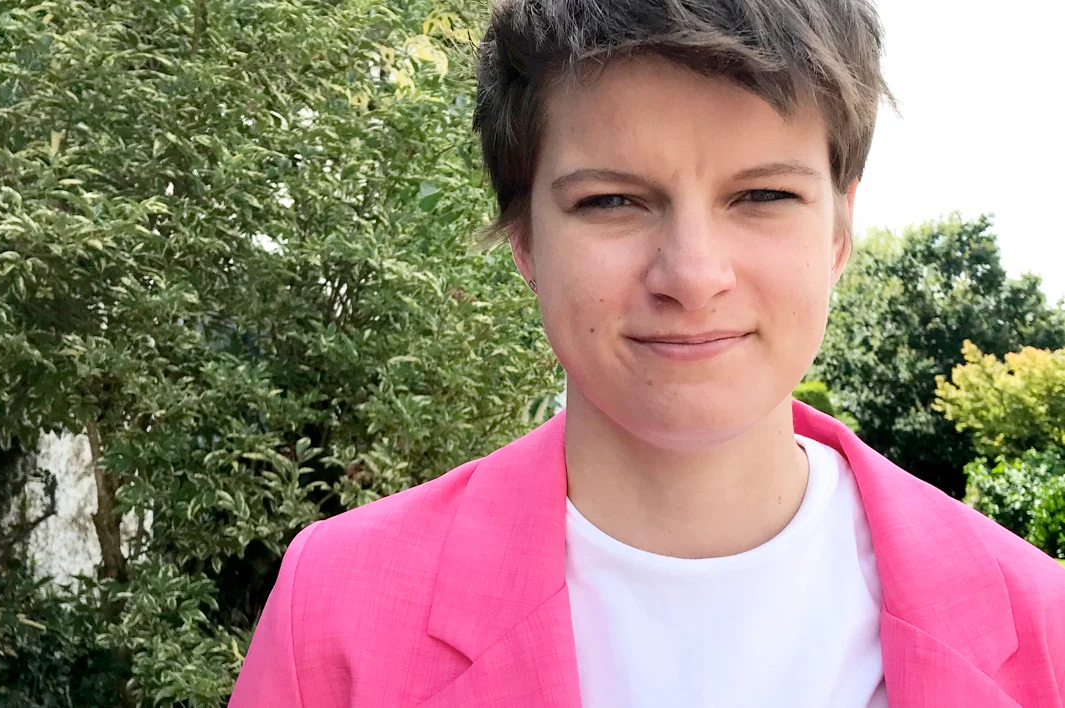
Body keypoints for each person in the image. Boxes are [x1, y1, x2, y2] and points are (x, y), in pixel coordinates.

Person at [231, 0, 1065, 705]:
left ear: (839, 228)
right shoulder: (333, 618)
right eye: (613, 201)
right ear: (524, 239)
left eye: (763, 195)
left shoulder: (1042, 630)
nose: (692, 277)